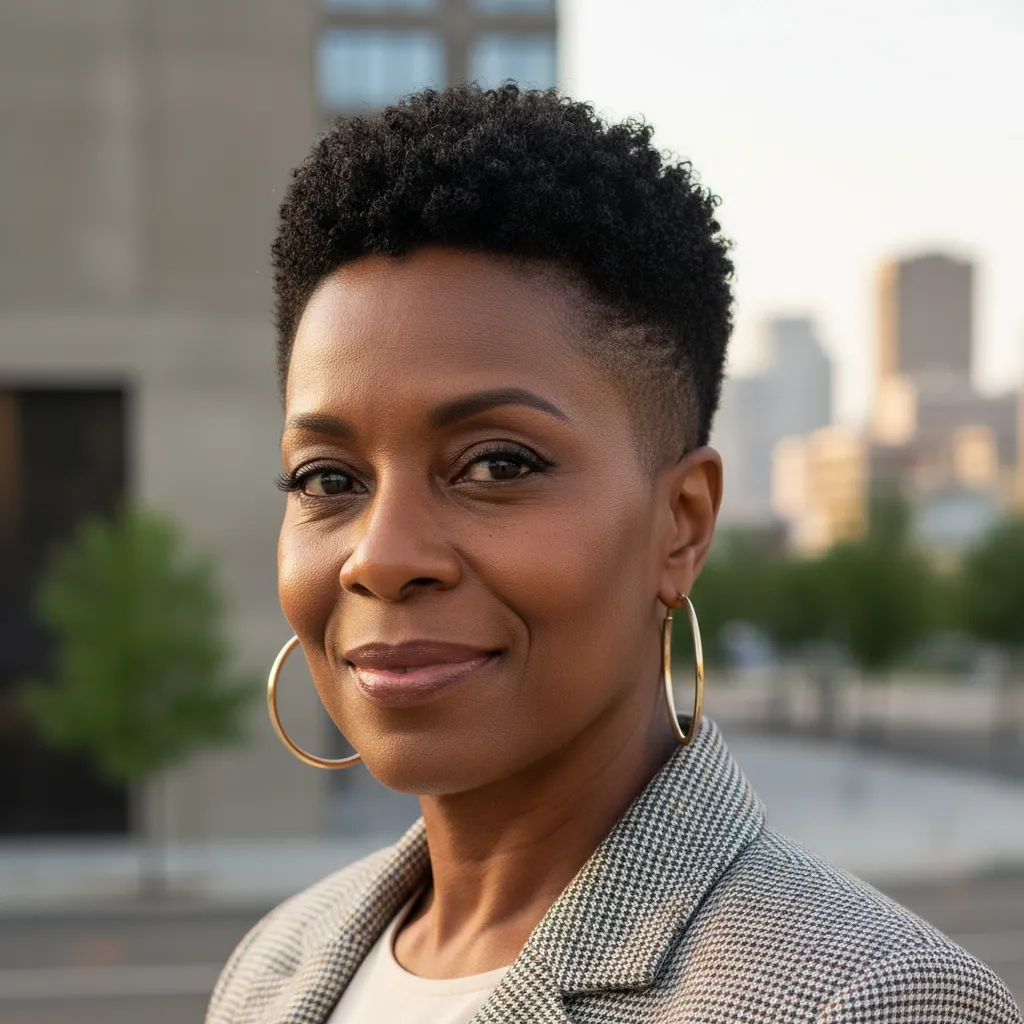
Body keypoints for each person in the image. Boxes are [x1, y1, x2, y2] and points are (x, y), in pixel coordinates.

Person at [206, 84, 1021, 1024]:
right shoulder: (273, 964)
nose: (380, 559)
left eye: (496, 464)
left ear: (681, 524)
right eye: (327, 480)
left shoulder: (867, 1000)